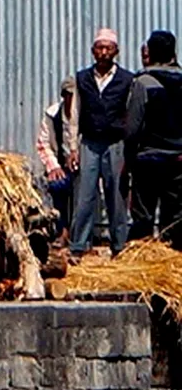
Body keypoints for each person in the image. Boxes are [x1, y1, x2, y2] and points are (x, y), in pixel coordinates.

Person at [71, 27, 135, 258]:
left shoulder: (127, 80)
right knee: (85, 196)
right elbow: (75, 114)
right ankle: (79, 246)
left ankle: (119, 246)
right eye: (100, 48)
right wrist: (72, 147)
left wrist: (129, 148)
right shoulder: (82, 78)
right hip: (89, 142)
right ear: (93, 51)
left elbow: (131, 114)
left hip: (115, 144)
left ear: (116, 51)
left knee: (116, 195)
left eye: (108, 48)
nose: (104, 52)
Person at [126, 30, 182, 245]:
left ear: (151, 51)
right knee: (175, 216)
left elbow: (132, 129)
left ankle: (144, 258)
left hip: (148, 159)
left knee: (143, 216)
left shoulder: (144, 82)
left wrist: (128, 158)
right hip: (178, 160)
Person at [36, 76, 78, 243]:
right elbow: (43, 143)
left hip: (84, 165)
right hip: (61, 165)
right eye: (69, 95)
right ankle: (62, 230)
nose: (72, 99)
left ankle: (82, 237)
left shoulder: (86, 115)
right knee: (56, 186)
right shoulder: (53, 115)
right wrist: (53, 166)